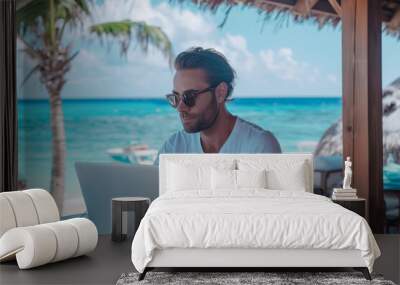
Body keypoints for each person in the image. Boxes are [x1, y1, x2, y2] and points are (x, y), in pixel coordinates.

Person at [154, 47, 281, 165]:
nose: (180, 108)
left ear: (220, 92)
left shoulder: (258, 146)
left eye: (189, 97)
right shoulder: (174, 148)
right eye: (176, 98)